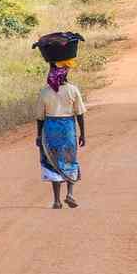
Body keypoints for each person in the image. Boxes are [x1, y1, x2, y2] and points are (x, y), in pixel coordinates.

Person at [36, 58, 87, 209]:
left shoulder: (45, 91)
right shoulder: (72, 89)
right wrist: (82, 134)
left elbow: (40, 117)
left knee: (53, 161)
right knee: (69, 159)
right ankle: (70, 194)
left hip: (50, 128)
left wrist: (39, 135)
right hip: (68, 128)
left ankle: (57, 201)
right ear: (65, 73)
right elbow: (80, 114)